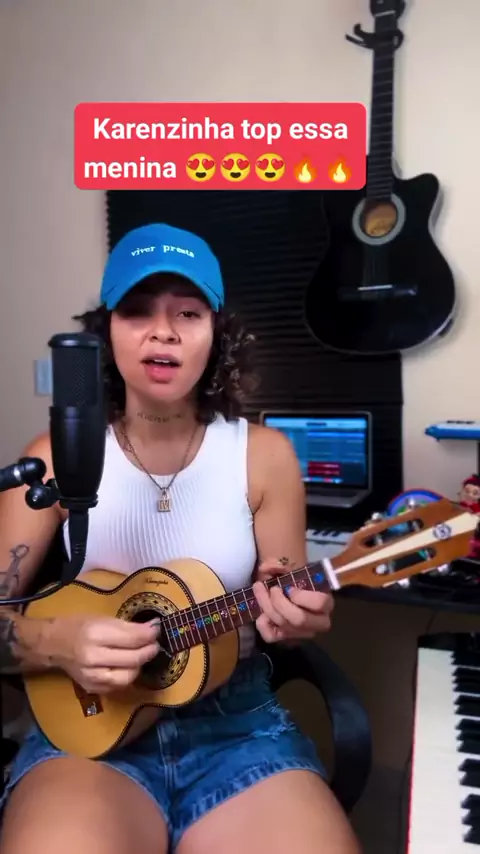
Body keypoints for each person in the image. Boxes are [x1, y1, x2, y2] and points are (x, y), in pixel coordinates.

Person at [0, 223, 361, 854]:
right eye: (138, 311)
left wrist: (295, 616)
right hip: (88, 731)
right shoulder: (51, 457)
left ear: (216, 334)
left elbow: (282, 600)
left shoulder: (265, 457)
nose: (162, 331)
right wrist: (54, 640)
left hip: (235, 727)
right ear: (106, 331)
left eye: (187, 313)